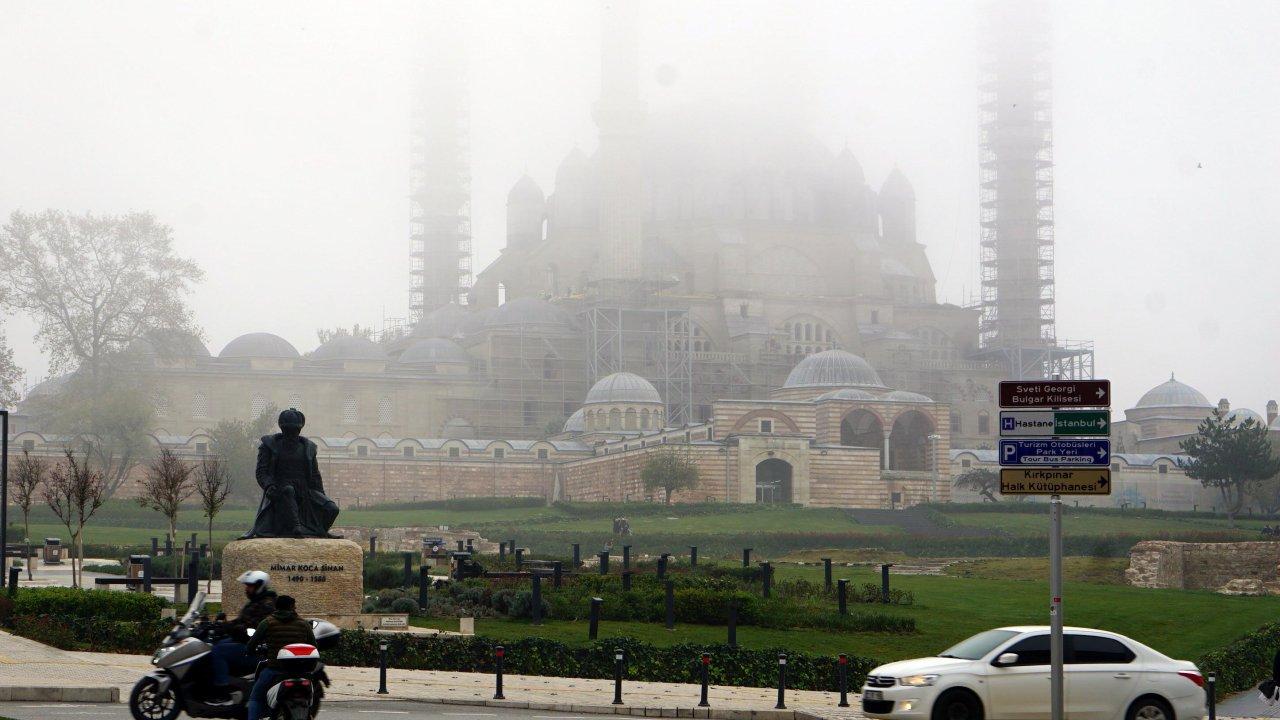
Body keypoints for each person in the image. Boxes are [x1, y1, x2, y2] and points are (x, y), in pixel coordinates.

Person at [243, 408, 341, 539]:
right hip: (281, 489)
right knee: (288, 491)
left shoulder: (309, 448)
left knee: (332, 509)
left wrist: (321, 496)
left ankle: (320, 531)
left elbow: (315, 476)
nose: (291, 433)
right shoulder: (269, 446)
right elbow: (261, 472)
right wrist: (269, 485)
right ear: (282, 429)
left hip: (306, 490)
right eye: (287, 430)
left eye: (294, 430)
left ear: (299, 429)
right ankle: (296, 528)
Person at [206, 570, 277, 703]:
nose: (246, 589)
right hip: (248, 643)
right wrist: (220, 624)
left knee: (218, 651)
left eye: (249, 586)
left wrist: (229, 627)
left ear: (259, 586)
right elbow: (242, 621)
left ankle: (222, 691)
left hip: (256, 649)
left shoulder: (267, 604)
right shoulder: (257, 601)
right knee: (214, 644)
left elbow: (252, 629)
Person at [246, 595, 315, 720]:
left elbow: (251, 644)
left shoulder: (267, 622)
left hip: (274, 670)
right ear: (291, 607)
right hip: (300, 672)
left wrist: (250, 652)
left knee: (255, 697)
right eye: (294, 606)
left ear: (276, 607)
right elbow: (314, 646)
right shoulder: (304, 624)